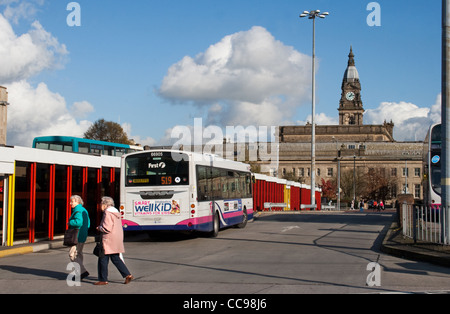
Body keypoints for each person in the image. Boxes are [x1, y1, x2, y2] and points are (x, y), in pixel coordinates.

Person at [95, 196, 134, 285]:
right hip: (116, 238)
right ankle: (127, 274)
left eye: (101, 203)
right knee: (115, 258)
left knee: (102, 258)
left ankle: (103, 279)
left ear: (105, 204)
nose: (100, 205)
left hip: (108, 239)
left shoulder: (107, 213)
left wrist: (99, 228)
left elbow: (107, 228)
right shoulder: (116, 212)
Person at [68, 195, 90, 280]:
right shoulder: (84, 210)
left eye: (72, 201)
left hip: (76, 236)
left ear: (77, 202)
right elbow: (88, 224)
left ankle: (82, 271)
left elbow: (78, 222)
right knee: (79, 254)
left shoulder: (77, 210)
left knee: (72, 254)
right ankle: (80, 273)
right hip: (82, 235)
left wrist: (70, 222)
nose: (70, 203)